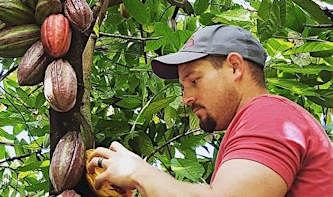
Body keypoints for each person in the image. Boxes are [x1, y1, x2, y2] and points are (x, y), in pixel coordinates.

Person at [86, 24, 333, 196]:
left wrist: (140, 174)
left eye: (194, 81)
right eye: (183, 87)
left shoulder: (269, 115)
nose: (186, 98)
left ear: (235, 67)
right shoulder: (258, 122)